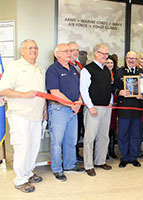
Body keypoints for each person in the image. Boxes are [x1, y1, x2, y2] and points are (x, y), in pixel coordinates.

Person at [0, 39, 47, 193]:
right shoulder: (14, 67)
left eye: (35, 48)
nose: (33, 50)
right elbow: (3, 90)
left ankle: (28, 172)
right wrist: (24, 95)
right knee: (22, 147)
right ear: (22, 50)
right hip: (20, 115)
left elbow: (42, 92)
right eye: (29, 48)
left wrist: (44, 111)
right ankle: (20, 180)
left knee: (33, 146)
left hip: (36, 115)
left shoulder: (40, 68)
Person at [46, 43, 84, 182]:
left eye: (70, 50)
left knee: (71, 139)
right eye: (66, 51)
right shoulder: (53, 70)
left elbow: (79, 89)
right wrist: (71, 104)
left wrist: (78, 102)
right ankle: (57, 169)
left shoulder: (73, 69)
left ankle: (70, 165)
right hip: (59, 110)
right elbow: (54, 92)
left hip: (73, 109)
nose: (70, 53)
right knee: (57, 141)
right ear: (58, 54)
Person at [80, 44, 113, 176]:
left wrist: (110, 102)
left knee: (103, 136)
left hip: (106, 108)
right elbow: (84, 90)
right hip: (93, 108)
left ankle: (100, 161)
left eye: (107, 54)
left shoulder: (106, 70)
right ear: (95, 53)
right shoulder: (87, 70)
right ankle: (88, 165)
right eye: (102, 53)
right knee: (89, 138)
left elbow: (108, 89)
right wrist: (90, 106)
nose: (105, 56)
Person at [112, 50, 143, 168]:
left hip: (137, 108)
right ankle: (124, 157)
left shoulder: (142, 73)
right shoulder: (119, 72)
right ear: (126, 59)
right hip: (124, 108)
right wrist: (120, 92)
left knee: (135, 134)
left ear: (137, 59)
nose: (131, 60)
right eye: (129, 58)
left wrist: (142, 95)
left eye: (133, 58)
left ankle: (133, 157)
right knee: (123, 134)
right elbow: (113, 88)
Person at [68, 42, 84, 162]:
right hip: (69, 105)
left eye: (77, 50)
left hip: (80, 104)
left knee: (77, 130)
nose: (75, 52)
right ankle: (69, 155)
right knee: (69, 132)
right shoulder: (65, 65)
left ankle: (76, 153)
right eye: (72, 50)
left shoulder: (79, 65)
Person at [106, 55, 118, 159]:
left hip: (115, 105)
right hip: (105, 105)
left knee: (112, 128)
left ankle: (111, 150)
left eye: (111, 63)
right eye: (108, 62)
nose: (110, 65)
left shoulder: (116, 74)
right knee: (104, 128)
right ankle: (104, 151)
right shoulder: (102, 73)